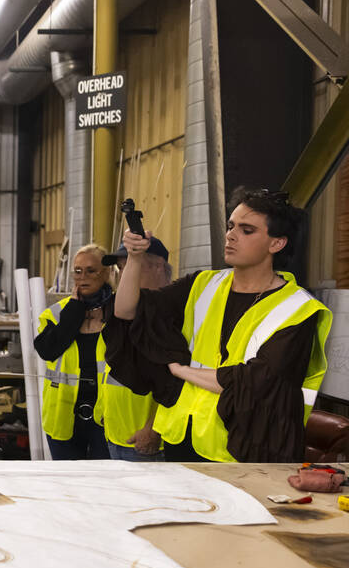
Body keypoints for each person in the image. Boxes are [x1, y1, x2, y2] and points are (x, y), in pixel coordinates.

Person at [114, 187, 332, 462]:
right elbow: (126, 310)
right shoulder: (203, 284)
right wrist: (134, 258)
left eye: (246, 230)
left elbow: (252, 383)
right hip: (182, 434)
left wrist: (180, 370)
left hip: (243, 446)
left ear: (276, 243)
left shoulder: (298, 309)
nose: (230, 235)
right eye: (230, 226)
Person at [33, 244, 113, 460]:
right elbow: (47, 350)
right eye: (77, 271)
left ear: (106, 273)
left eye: (91, 270)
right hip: (63, 415)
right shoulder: (57, 313)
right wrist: (75, 311)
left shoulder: (118, 312)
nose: (83, 276)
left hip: (107, 416)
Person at [98, 237, 173, 461]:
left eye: (132, 265)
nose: (124, 275)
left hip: (144, 440)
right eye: (121, 268)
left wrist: (155, 428)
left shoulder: (170, 312)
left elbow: (175, 380)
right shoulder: (127, 312)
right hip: (116, 433)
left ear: (158, 265)